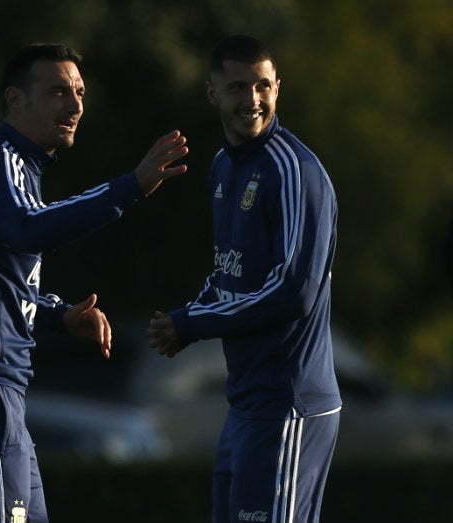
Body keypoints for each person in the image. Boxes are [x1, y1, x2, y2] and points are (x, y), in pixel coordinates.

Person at [0, 42, 188, 523]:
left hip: (0, 390)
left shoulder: (19, 172)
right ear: (16, 100)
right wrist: (130, 186)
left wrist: (59, 316)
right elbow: (30, 227)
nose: (76, 105)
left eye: (79, 92)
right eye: (59, 91)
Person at [147, 35, 341, 523]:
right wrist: (186, 319)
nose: (251, 100)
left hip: (289, 401)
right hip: (246, 402)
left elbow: (293, 291)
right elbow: (229, 273)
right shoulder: (221, 167)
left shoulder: (293, 170)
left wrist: (193, 323)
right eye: (237, 87)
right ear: (213, 93)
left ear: (278, 88)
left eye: (262, 86)